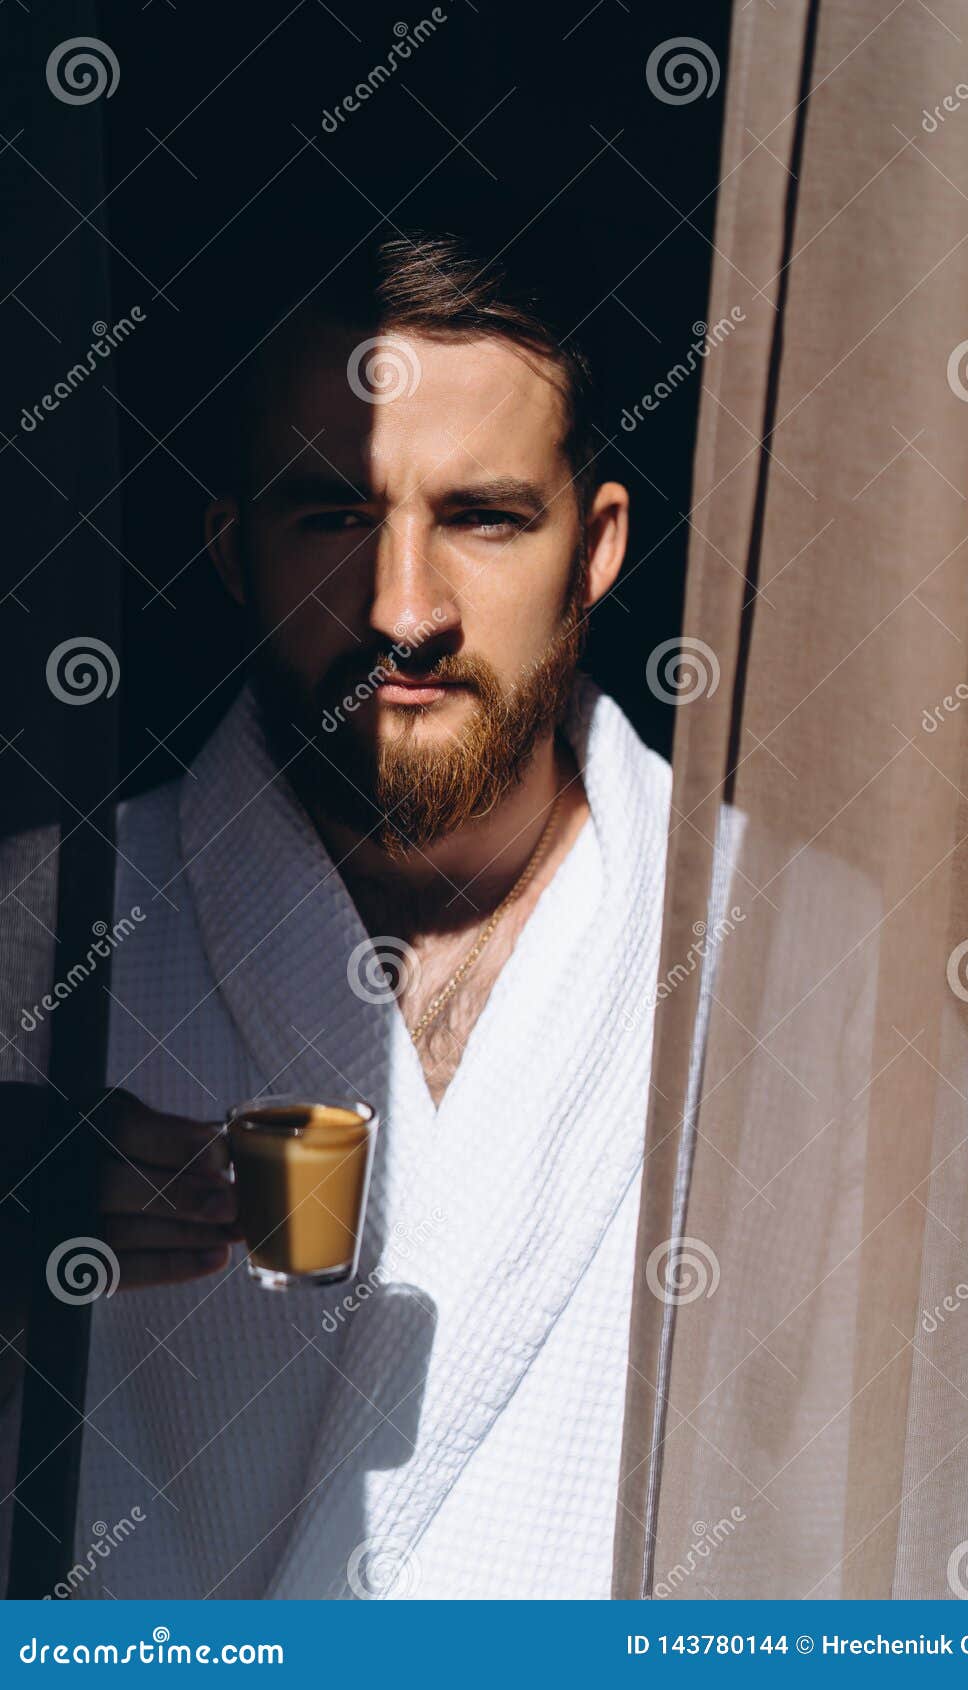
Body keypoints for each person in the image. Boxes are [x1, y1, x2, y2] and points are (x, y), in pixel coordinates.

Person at [0, 233, 740, 1599]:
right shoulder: (42, 933)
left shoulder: (793, 951)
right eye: (333, 516)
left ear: (597, 550)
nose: (402, 610)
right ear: (232, 548)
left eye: (483, 517)